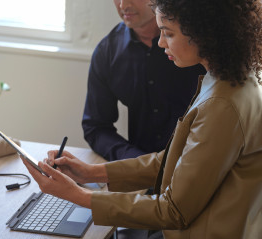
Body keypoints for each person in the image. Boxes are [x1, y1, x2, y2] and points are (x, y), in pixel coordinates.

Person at [22, 0, 262, 238]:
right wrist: (90, 173)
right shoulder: (227, 80)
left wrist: (77, 195)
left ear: (203, 32)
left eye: (168, 33)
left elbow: (173, 210)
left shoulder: (221, 105)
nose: (160, 41)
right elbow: (174, 161)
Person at [82, 0, 205, 162]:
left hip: (197, 165)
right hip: (140, 174)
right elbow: (96, 127)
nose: (123, 5)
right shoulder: (107, 51)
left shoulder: (197, 45)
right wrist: (134, 159)